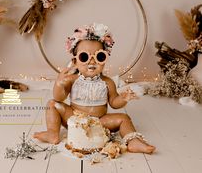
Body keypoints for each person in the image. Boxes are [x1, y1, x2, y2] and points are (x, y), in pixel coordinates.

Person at [34, 23, 155, 154]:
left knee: (124, 118)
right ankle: (52, 133)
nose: (92, 62)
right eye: (84, 57)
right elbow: (59, 98)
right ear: (75, 62)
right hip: (74, 119)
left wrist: (123, 98)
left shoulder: (107, 82)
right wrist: (59, 84)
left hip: (100, 122)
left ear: (105, 60)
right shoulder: (72, 80)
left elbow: (114, 103)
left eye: (99, 57)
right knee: (52, 104)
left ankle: (133, 141)